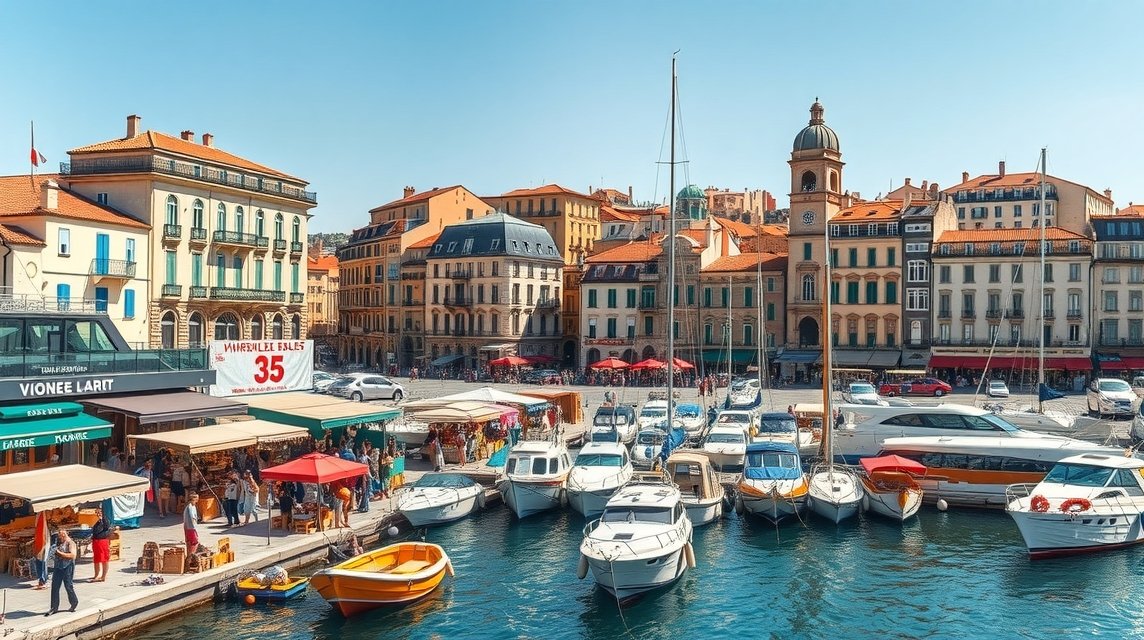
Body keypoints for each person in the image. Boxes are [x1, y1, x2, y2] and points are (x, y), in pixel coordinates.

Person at [45, 529, 78, 616]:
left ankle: (74, 602)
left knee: (68, 586)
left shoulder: (70, 543)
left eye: (60, 536)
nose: (59, 538)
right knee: (55, 587)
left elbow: (73, 555)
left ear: (64, 535)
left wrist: (59, 553)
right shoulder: (58, 543)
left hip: (67, 566)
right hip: (58, 567)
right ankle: (54, 607)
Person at [90, 508, 116, 582]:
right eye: (97, 512)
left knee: (104, 559)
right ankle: (96, 575)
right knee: (96, 559)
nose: (98, 514)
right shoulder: (98, 521)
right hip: (96, 542)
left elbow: (107, 526)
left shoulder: (105, 520)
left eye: (100, 512)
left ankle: (103, 576)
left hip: (102, 542)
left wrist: (102, 518)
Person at [183, 493, 200, 561]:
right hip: (190, 527)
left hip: (190, 526)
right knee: (193, 541)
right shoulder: (190, 507)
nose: (197, 500)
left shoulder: (193, 506)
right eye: (196, 498)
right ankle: (191, 556)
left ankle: (190, 555)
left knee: (190, 541)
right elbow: (192, 517)